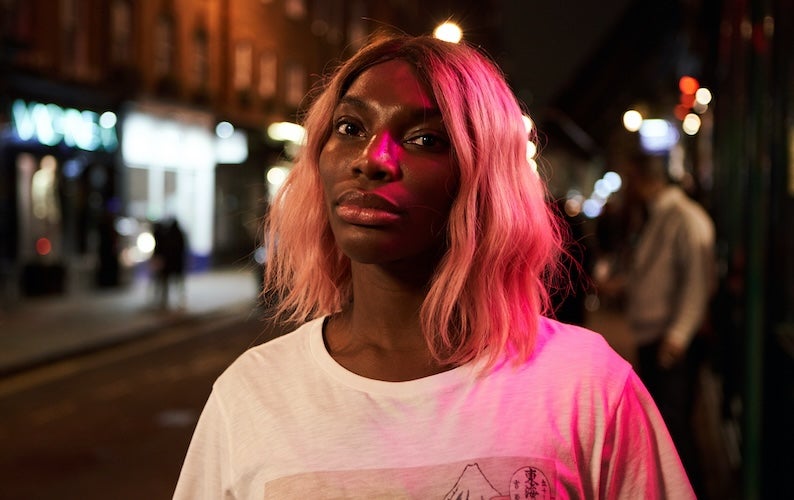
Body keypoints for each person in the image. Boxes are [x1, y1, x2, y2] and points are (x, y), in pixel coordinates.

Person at [174, 32, 695, 499]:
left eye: (424, 138)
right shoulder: (250, 395)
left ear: (481, 180)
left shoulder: (586, 385)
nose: (371, 158)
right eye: (351, 126)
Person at [607, 152, 716, 496]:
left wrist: (678, 336)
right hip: (658, 334)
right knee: (667, 424)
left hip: (668, 339)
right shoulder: (661, 215)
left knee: (674, 428)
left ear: (642, 179)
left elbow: (697, 282)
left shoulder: (682, 217)